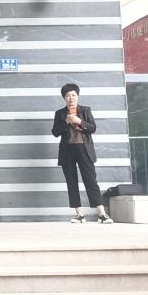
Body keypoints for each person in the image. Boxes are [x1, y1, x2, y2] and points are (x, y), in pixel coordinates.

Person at [52, 82, 111, 223]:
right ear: (64, 98)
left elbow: (93, 128)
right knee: (71, 182)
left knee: (91, 180)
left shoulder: (85, 110)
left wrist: (80, 121)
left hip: (84, 149)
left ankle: (102, 215)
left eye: (73, 95)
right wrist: (65, 123)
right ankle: (79, 215)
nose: (71, 98)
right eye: (68, 95)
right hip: (67, 150)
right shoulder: (60, 113)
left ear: (77, 96)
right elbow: (55, 132)